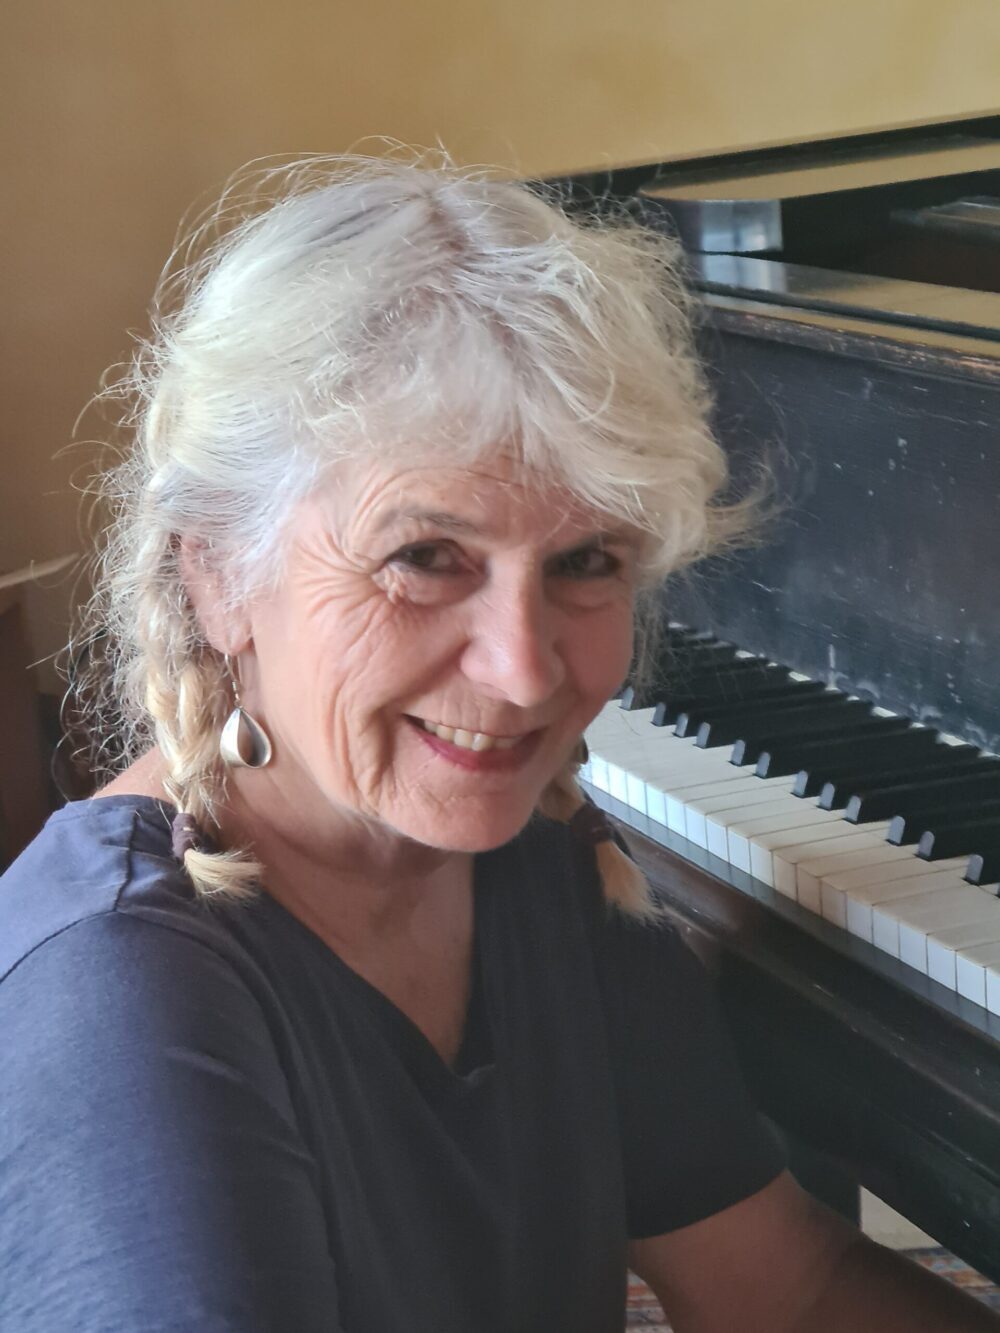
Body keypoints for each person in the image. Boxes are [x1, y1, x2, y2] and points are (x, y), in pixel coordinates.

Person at [1, 156, 995, 1333]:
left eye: (584, 561)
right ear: (219, 572)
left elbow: (784, 1285)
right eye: (425, 558)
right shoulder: (123, 998)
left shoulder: (536, 858)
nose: (523, 674)